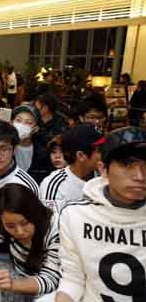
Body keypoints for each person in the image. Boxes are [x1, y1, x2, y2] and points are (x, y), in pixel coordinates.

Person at [56, 126, 146, 302]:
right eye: (127, 164)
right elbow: (73, 279)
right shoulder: (75, 215)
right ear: (103, 169)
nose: (140, 176)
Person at [0, 184, 60, 299]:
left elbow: (51, 280)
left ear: (35, 212)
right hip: (19, 280)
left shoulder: (56, 229)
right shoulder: (5, 220)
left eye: (24, 223)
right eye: (10, 226)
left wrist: (13, 284)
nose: (19, 231)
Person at [39, 123, 104, 212]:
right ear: (81, 156)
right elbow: (52, 224)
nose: (104, 153)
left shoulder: (106, 177)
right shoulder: (54, 185)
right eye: (99, 150)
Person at [11, 105, 51, 184]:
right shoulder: (4, 148)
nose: (21, 125)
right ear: (12, 123)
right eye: (18, 120)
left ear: (35, 129)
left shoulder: (42, 153)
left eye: (28, 122)